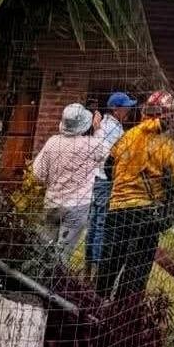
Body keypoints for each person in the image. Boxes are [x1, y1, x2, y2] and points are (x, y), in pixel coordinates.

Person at [96, 90, 174, 299]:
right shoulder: (165, 144)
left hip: (117, 211)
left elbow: (109, 167)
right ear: (166, 115)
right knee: (136, 270)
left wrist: (125, 184)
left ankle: (97, 305)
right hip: (145, 214)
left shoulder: (128, 136)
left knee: (109, 265)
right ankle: (124, 310)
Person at [32, 103, 106, 264]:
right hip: (77, 206)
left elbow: (38, 173)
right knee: (62, 255)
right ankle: (55, 278)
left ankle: (36, 277)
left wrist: (54, 180)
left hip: (52, 202)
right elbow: (104, 151)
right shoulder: (91, 144)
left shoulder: (53, 142)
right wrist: (98, 129)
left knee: (43, 250)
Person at [85, 91, 136, 277]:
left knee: (94, 223)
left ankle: (88, 268)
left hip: (97, 179)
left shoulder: (105, 126)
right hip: (106, 180)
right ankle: (96, 270)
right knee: (102, 224)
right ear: (116, 109)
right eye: (126, 107)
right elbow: (111, 157)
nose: (129, 110)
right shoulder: (114, 130)